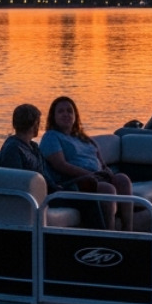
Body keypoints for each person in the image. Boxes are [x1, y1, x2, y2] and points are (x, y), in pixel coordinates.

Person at [40, 95, 134, 231]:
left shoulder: (83, 138)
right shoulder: (51, 137)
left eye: (69, 111)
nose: (66, 114)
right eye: (61, 111)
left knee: (122, 180)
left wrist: (107, 172)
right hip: (75, 181)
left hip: (95, 176)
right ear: (53, 117)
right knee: (108, 190)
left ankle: (128, 231)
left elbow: (101, 162)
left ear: (75, 116)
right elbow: (60, 165)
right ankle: (109, 236)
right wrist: (88, 174)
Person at [0, 103, 64, 193]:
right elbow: (15, 182)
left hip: (48, 191)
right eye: (38, 123)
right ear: (35, 124)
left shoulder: (33, 147)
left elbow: (44, 173)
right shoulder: (13, 149)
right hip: (35, 197)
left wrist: (56, 187)